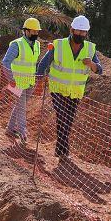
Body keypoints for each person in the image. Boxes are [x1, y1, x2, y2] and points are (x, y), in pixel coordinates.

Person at [37, 15, 103, 161]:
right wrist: (38, 79)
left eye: (83, 32)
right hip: (57, 89)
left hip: (75, 93)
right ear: (71, 29)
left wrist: (91, 64)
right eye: (77, 31)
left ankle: (60, 150)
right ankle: (64, 152)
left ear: (86, 33)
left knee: (68, 120)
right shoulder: (58, 45)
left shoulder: (90, 49)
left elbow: (100, 70)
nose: (80, 34)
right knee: (62, 117)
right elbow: (43, 63)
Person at [2, 17, 43, 145]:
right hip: (16, 82)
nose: (36, 34)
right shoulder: (17, 44)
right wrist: (11, 79)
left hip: (30, 81)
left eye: (37, 31)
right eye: (33, 31)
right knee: (22, 108)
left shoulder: (37, 44)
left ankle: (9, 129)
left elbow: (33, 63)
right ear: (26, 31)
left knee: (21, 106)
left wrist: (37, 78)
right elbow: (5, 62)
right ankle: (23, 133)